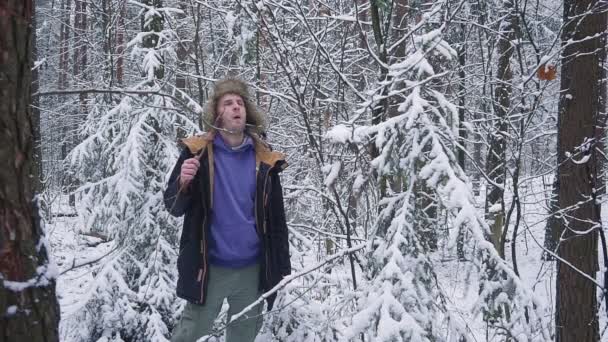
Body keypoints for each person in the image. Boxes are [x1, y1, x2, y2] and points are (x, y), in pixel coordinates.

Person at [163, 78, 291, 342]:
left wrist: (280, 268)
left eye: (240, 103)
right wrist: (183, 183)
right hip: (209, 269)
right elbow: (173, 206)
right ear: (217, 114)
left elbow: (277, 220)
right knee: (188, 335)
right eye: (228, 103)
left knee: (244, 337)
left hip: (252, 272)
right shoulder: (197, 153)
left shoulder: (265, 159)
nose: (236, 107)